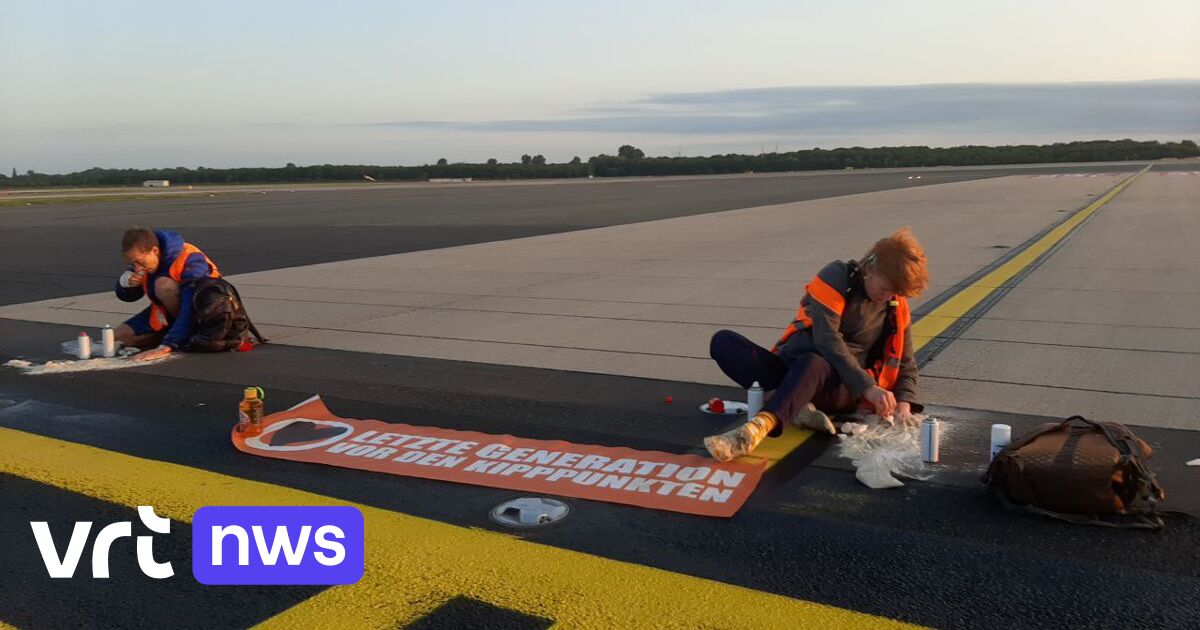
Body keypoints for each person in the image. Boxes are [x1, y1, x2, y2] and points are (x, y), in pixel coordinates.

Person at [704, 228, 929, 462]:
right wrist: (869, 387)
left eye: (895, 292)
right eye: (884, 288)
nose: (888, 296)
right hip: (794, 368)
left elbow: (905, 361)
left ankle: (756, 429)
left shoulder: (894, 307)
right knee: (724, 342)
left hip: (839, 386)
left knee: (813, 362)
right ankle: (796, 405)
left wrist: (903, 401)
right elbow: (827, 339)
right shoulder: (837, 277)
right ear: (870, 268)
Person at [113, 226, 221, 362]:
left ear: (155, 251)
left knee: (163, 285)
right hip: (165, 311)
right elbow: (128, 297)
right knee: (118, 336)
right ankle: (169, 334)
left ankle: (183, 336)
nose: (138, 267)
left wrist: (168, 346)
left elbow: (190, 305)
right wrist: (126, 283)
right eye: (133, 263)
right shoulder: (145, 259)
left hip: (205, 312)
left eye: (139, 262)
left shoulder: (190, 259)